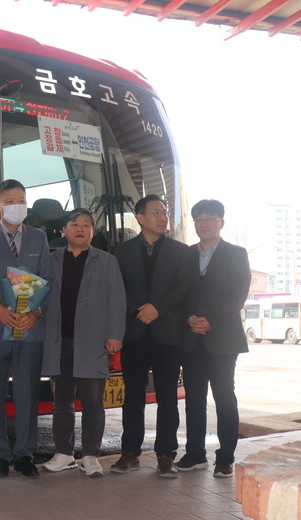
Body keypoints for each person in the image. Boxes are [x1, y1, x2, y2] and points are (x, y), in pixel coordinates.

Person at [0, 179, 52, 478]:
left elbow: (48, 280)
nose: (17, 205)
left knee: (27, 394)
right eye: (10, 201)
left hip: (29, 329)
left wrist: (37, 312)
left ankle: (25, 454)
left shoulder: (39, 237)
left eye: (22, 200)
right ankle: (0, 456)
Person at [41, 209, 126, 477]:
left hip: (92, 342)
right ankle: (64, 454)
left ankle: (90, 455)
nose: (80, 229)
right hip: (59, 342)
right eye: (75, 224)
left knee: (93, 403)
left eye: (86, 225)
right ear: (64, 230)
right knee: (61, 402)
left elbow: (117, 300)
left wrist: (115, 334)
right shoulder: (51, 260)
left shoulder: (107, 261)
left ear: (93, 231)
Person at [112, 194, 192, 478]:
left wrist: (157, 308)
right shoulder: (122, 252)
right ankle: (130, 452)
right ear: (140, 218)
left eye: (164, 212)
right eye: (156, 212)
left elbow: (184, 287)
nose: (162, 217)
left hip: (167, 334)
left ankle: (166, 455)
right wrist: (139, 309)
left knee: (167, 397)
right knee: (132, 396)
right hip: (134, 333)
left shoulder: (181, 251)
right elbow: (118, 287)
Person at [176, 199, 250, 478]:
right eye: (199, 219)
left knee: (224, 397)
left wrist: (212, 320)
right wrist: (188, 318)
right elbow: (178, 292)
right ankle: (195, 454)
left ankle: (226, 457)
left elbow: (238, 295)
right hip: (191, 338)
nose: (203, 224)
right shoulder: (186, 254)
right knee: (194, 399)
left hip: (223, 338)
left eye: (210, 219)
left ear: (221, 222)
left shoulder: (236, 254)